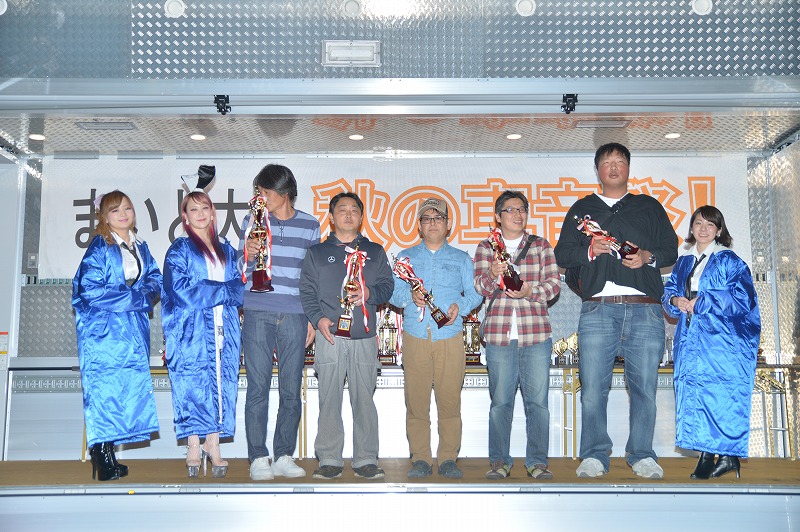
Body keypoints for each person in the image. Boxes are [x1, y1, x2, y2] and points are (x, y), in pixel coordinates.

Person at [554, 142, 678, 479]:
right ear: (597, 170)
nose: (613, 167)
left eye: (619, 161)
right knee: (593, 388)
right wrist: (590, 250)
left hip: (644, 309)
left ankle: (642, 454)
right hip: (598, 309)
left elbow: (671, 249)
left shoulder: (648, 206)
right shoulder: (582, 210)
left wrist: (647, 257)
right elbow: (562, 254)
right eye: (606, 162)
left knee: (644, 388)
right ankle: (594, 454)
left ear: (628, 168)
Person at [299, 192, 394, 480]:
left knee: (364, 398)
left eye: (354, 210)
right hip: (329, 336)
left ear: (361, 217)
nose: (349, 214)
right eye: (342, 209)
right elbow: (307, 291)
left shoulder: (375, 251)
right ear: (331, 217)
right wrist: (318, 319)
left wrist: (368, 293)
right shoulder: (316, 253)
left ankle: (366, 458)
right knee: (329, 398)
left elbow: (387, 287)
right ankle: (329, 458)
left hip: (363, 336)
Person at [662, 205, 760, 479]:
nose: (703, 229)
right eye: (698, 223)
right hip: (691, 338)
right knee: (695, 393)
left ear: (719, 230)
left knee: (720, 395)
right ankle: (710, 455)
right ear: (691, 228)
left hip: (721, 340)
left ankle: (724, 455)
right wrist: (675, 300)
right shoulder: (684, 261)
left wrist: (703, 301)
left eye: (710, 225)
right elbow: (668, 291)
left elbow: (743, 299)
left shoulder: (730, 261)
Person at [389, 198, 483, 479]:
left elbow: (475, 294)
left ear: (448, 225)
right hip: (416, 336)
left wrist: (459, 307)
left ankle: (448, 459)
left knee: (450, 402)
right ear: (419, 225)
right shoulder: (405, 258)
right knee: (416, 402)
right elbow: (392, 293)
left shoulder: (461, 259)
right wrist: (410, 297)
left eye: (438, 218)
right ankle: (420, 458)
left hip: (449, 337)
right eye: (427, 218)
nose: (432, 223)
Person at [72, 190, 161, 481]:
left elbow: (155, 277)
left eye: (127, 208)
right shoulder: (100, 246)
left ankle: (107, 453)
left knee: (124, 388)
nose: (123, 214)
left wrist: (145, 294)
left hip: (132, 330)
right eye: (115, 210)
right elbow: (88, 289)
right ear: (104, 217)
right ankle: (100, 453)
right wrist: (135, 298)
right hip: (105, 331)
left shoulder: (140, 245)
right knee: (104, 389)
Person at [473, 190, 561, 480]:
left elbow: (554, 286)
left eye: (522, 209)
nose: (517, 214)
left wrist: (529, 291)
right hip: (499, 336)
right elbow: (480, 288)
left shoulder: (541, 245)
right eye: (510, 210)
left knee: (538, 404)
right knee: (500, 403)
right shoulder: (486, 247)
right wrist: (492, 274)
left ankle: (537, 462)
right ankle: (499, 461)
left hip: (535, 336)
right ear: (498, 217)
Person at [241, 164, 320, 480]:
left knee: (291, 387)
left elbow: (313, 277)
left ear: (283, 191)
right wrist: (247, 253)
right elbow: (239, 268)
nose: (260, 197)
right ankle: (257, 457)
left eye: (265, 191)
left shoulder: (310, 225)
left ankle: (284, 454)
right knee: (257, 387)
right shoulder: (252, 221)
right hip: (257, 310)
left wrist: (313, 317)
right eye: (258, 191)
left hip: (296, 314)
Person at [162, 190, 244, 478]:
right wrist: (223, 291)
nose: (200, 214)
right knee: (193, 383)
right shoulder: (180, 250)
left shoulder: (227, 250)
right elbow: (181, 291)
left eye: (205, 208)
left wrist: (222, 291)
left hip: (224, 325)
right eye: (193, 209)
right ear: (185, 217)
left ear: (213, 213)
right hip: (192, 329)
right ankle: (193, 445)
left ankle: (213, 443)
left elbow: (240, 287)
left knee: (221, 382)